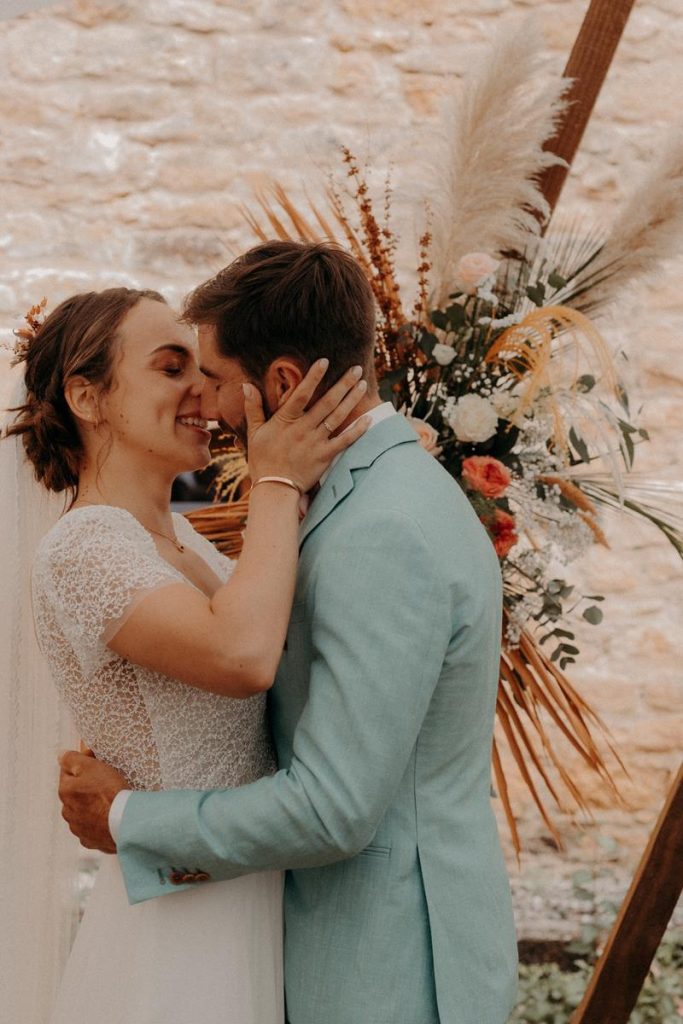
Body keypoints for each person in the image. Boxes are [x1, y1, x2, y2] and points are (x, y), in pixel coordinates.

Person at [60, 241, 519, 1024]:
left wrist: (128, 817)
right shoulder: (372, 496)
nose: (205, 404)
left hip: (386, 967)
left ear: (278, 383)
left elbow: (335, 806)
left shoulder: (382, 530)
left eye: (211, 378)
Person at [2, 281, 369, 1024]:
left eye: (203, 370)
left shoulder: (186, 542)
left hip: (250, 898)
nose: (203, 390)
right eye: (171, 368)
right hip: (178, 928)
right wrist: (275, 478)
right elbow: (241, 658)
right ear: (87, 396)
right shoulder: (85, 545)